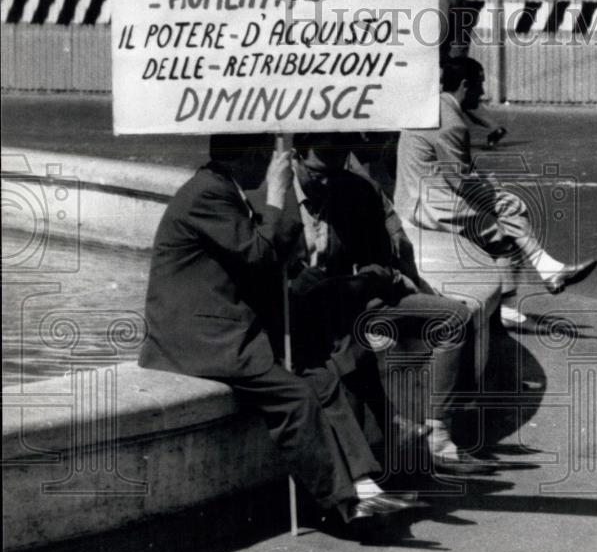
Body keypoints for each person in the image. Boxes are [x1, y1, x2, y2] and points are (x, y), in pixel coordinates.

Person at [140, 133, 422, 524]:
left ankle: (365, 483)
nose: (273, 165)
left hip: (224, 327)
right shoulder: (207, 193)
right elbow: (258, 255)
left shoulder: (221, 189)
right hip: (199, 339)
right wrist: (275, 195)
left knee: (321, 374)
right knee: (294, 396)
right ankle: (342, 500)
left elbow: (251, 262)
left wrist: (297, 277)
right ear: (250, 155)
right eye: (267, 157)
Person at [279, 132, 497, 476]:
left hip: (356, 298)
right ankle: (383, 453)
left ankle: (437, 437)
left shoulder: (355, 190)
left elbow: (380, 260)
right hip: (305, 316)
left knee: (453, 317)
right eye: (317, 173)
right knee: (351, 358)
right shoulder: (274, 198)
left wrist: (359, 280)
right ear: (295, 158)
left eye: (336, 171)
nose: (326, 182)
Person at [395, 57, 597, 301]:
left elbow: (452, 169)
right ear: (464, 85)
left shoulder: (431, 107)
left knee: (506, 208)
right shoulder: (451, 123)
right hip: (430, 206)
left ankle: (547, 270)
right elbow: (460, 181)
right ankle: (507, 311)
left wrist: (490, 188)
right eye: (479, 85)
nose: (482, 92)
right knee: (504, 236)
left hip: (413, 196)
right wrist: (493, 192)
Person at [438, 0, 507, 149]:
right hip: (459, 50)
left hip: (448, 54)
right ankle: (494, 127)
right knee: (458, 97)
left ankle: (489, 127)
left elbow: (442, 27)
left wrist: (436, 52)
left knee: (453, 96)